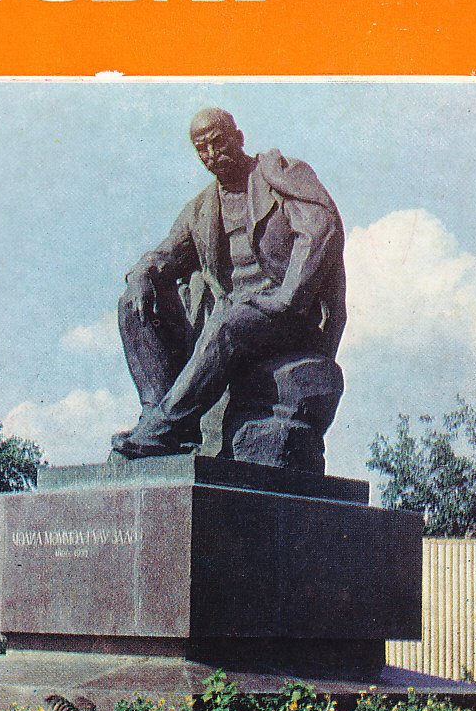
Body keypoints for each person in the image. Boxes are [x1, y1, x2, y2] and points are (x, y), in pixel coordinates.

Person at [112, 107, 346, 458]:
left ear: (238, 138)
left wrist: (288, 296)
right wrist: (141, 275)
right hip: (233, 317)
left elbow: (320, 231)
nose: (211, 154)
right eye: (201, 148)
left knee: (228, 320)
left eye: (218, 142)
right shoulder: (201, 208)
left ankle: (164, 426)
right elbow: (166, 254)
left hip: (287, 315)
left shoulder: (279, 176)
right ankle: (159, 416)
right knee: (134, 302)